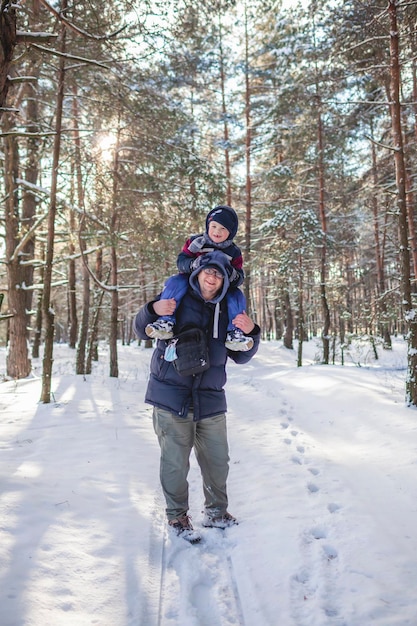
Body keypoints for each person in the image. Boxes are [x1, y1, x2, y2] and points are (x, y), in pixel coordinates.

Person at [134, 250, 260, 543]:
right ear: (198, 272)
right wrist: (152, 308)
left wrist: (253, 332)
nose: (212, 277)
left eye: (218, 273)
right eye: (208, 271)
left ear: (224, 280)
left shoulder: (229, 307)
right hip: (171, 395)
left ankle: (217, 513)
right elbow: (141, 330)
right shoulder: (175, 296)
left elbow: (241, 357)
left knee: (218, 461)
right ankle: (177, 515)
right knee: (175, 461)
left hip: (211, 397)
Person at [145, 205, 253, 351]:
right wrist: (193, 264)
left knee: (237, 296)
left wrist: (231, 273)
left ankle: (235, 332)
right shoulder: (196, 242)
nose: (217, 231)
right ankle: (166, 321)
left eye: (223, 229)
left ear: (231, 232)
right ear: (208, 225)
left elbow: (239, 277)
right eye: (214, 226)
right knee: (174, 282)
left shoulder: (233, 252)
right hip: (190, 281)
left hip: (221, 287)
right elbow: (181, 261)